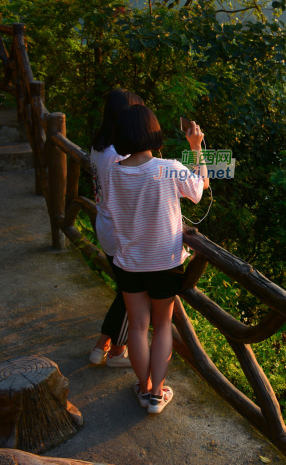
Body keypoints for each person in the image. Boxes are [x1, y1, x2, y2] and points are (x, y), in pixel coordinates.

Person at [105, 105, 209, 414]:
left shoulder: (114, 171)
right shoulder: (169, 167)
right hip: (164, 261)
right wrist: (195, 147)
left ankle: (145, 388)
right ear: (154, 133)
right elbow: (199, 191)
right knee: (162, 325)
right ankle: (157, 395)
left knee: (138, 327)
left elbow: (112, 209)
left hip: (129, 262)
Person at [88, 89, 145, 367]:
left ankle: (103, 347)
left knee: (126, 291)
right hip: (121, 233)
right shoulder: (117, 156)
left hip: (106, 226)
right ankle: (115, 352)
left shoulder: (100, 147)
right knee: (132, 294)